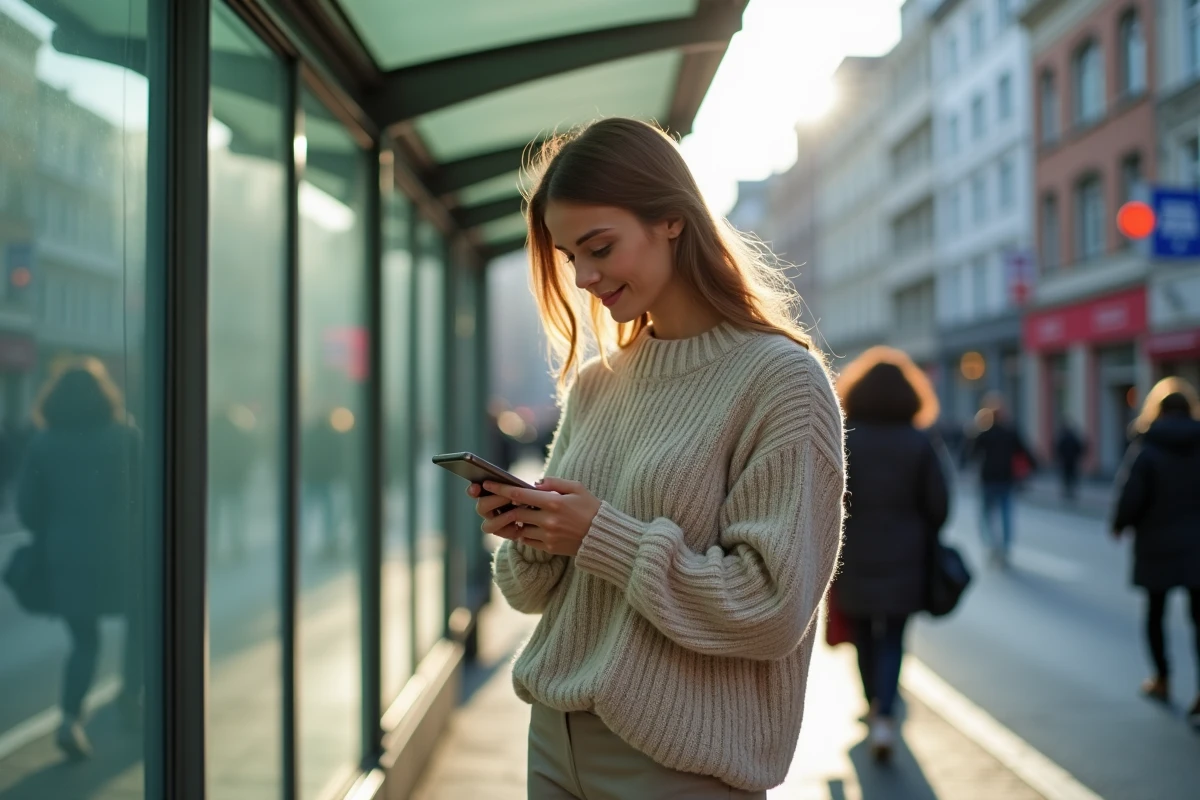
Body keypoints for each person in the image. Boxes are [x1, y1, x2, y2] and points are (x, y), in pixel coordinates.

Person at [466, 118, 845, 799]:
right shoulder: (598, 383)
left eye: (599, 247)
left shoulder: (781, 381)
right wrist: (532, 532)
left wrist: (597, 534)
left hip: (679, 762)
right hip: (553, 739)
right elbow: (529, 595)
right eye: (569, 256)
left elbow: (771, 605)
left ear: (671, 219)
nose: (583, 277)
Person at [17, 358, 144, 760]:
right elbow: (146, 496)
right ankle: (130, 694)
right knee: (140, 624)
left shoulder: (44, 442)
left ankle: (70, 719)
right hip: (122, 552)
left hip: (67, 555)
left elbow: (28, 509)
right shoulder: (125, 436)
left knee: (83, 642)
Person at [831, 347, 949, 762]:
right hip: (906, 556)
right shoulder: (919, 441)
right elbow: (940, 506)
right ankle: (886, 711)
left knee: (863, 636)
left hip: (853, 556)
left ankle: (873, 706)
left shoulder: (846, 437)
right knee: (895, 637)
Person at [1111, 377, 1200, 727]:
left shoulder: (1147, 448)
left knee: (1155, 614)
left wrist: (1119, 524)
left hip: (1157, 543)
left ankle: (1162, 680)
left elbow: (1131, 495)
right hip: (1198, 545)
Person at [967, 393, 1035, 567]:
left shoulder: (983, 433)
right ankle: (1004, 548)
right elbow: (1025, 451)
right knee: (1005, 515)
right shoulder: (1010, 432)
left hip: (988, 479)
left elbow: (971, 453)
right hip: (1006, 479)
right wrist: (1034, 468)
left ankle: (991, 546)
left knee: (986, 516)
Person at [1054, 421, 1086, 503]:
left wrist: (1059, 457)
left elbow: (1058, 448)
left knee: (1066, 476)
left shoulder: (1063, 438)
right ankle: (1071, 491)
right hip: (1073, 460)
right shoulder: (1073, 438)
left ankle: (1067, 490)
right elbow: (1079, 447)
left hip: (1065, 460)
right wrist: (1078, 456)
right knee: (1072, 475)